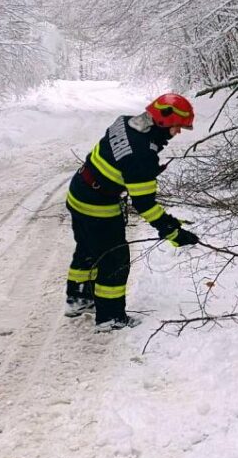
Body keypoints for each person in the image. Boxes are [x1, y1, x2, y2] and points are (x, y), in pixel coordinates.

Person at [64, 93, 201, 331]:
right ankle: (110, 318)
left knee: (87, 247)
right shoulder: (141, 156)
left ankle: (79, 300)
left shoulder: (125, 122)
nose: (178, 132)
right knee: (114, 259)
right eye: (177, 127)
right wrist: (172, 231)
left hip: (79, 192)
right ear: (162, 122)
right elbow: (145, 204)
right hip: (98, 205)